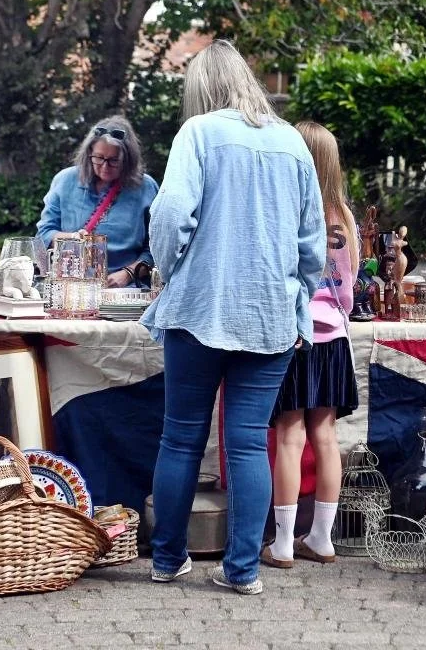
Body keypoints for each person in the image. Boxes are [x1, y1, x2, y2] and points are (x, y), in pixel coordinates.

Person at [141, 40, 326, 596]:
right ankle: (243, 571)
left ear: (201, 88)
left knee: (180, 441)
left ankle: (168, 559)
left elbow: (171, 215)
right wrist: (296, 297)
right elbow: (311, 242)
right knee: (248, 445)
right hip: (268, 314)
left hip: (200, 307)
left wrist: (169, 269)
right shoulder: (292, 142)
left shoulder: (197, 134)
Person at [260, 121, 359, 569]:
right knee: (325, 434)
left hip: (295, 333)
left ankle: (281, 544)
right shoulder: (344, 217)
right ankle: (321, 538)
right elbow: (350, 287)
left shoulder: (287, 209)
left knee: (288, 435)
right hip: (333, 336)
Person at [37, 115, 159, 287]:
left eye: (114, 160)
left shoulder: (145, 187)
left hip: (125, 290)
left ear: (128, 159)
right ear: (89, 154)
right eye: (99, 158)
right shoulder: (65, 181)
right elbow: (43, 234)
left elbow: (157, 248)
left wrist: (129, 273)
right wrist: (72, 238)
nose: (104, 166)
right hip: (70, 289)